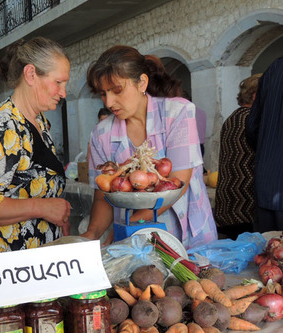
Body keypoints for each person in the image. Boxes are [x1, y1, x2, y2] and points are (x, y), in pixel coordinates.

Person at [83, 45, 217, 249]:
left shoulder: (177, 114)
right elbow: (103, 198)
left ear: (142, 83)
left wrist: (126, 229)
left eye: (117, 90)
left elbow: (178, 184)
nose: (109, 102)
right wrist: (91, 236)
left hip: (188, 236)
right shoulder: (101, 134)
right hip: (135, 245)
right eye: (103, 94)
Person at [0, 37, 72, 257]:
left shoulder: (39, 124)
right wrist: (42, 207)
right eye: (58, 82)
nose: (63, 92)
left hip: (32, 265)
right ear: (31, 75)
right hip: (3, 271)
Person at [215, 74, 261, 239]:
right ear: (256, 95)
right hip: (246, 208)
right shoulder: (252, 120)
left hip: (228, 206)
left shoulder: (232, 117)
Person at [246, 57, 283, 233]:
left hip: (269, 181)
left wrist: (266, 154)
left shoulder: (274, 68)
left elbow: (252, 126)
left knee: (271, 252)